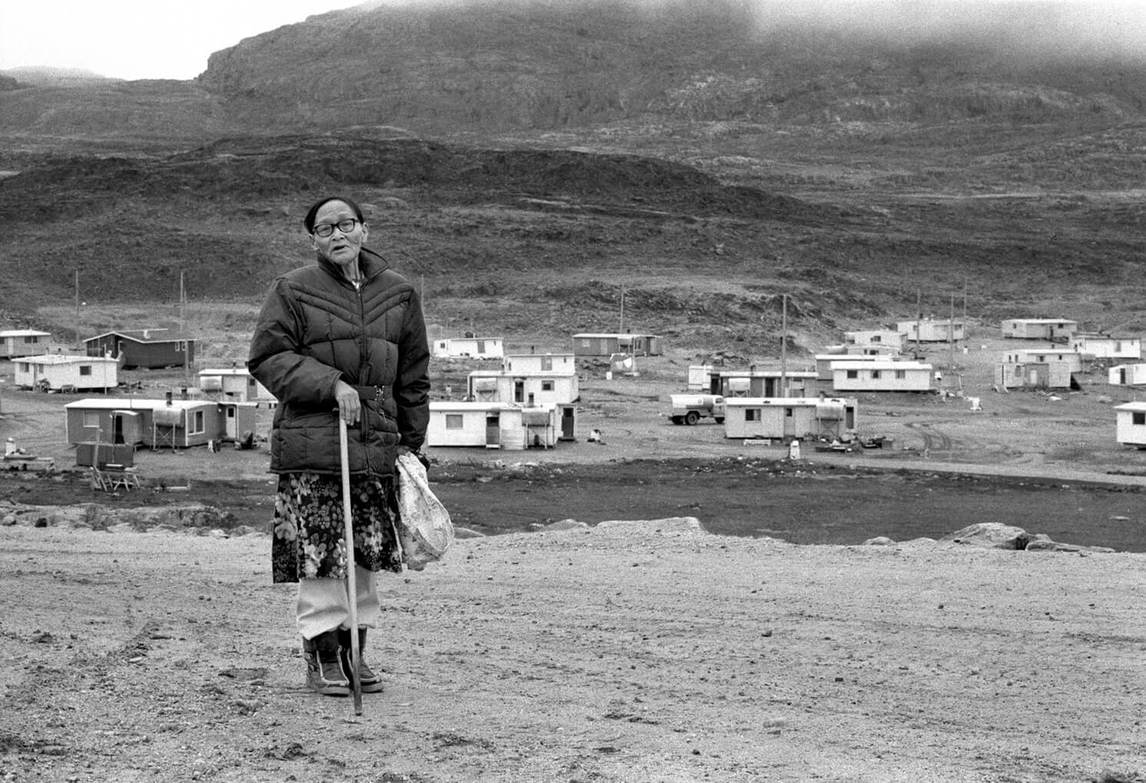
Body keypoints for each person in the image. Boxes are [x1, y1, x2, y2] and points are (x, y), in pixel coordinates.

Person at [248, 195, 430, 698]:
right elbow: (267, 357)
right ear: (313, 239)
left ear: (364, 230)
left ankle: (356, 653)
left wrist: (410, 446)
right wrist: (330, 383)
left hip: (377, 444)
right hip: (315, 443)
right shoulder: (292, 290)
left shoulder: (399, 294)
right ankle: (323, 656)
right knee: (323, 554)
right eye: (324, 228)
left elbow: (413, 377)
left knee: (366, 555)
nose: (337, 234)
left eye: (345, 224)